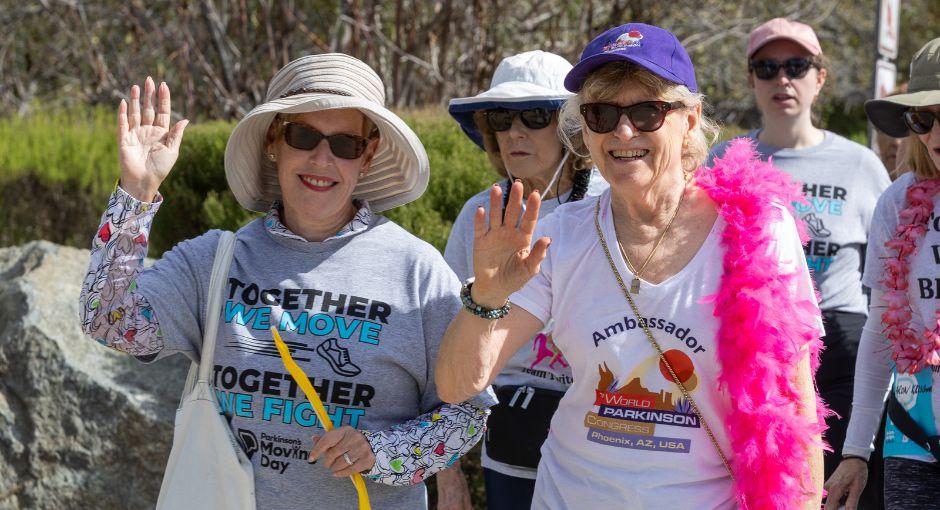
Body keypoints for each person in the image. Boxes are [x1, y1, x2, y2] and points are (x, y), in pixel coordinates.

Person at [436, 23, 826, 509]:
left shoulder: (757, 229)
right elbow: (456, 385)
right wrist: (486, 299)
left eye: (647, 111)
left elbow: (794, 406)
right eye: (601, 114)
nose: (623, 132)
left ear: (690, 119)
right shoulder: (561, 236)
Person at [78, 54, 494, 509]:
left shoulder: (416, 269)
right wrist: (136, 196)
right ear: (274, 141)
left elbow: (466, 412)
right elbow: (108, 321)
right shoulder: (216, 260)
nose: (322, 159)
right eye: (304, 136)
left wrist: (382, 452)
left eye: (345, 145)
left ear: (368, 156)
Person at [708, 20, 891, 502]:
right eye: (766, 68)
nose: (782, 79)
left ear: (820, 77)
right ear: (751, 80)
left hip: (842, 344)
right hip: (756, 347)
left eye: (797, 66)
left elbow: (888, 272)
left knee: (845, 489)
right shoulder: (726, 159)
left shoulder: (860, 164)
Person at [445, 50, 607, 509]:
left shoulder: (609, 203)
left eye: (535, 115)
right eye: (500, 117)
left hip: (602, 433)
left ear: (570, 127)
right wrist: (450, 477)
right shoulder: (480, 213)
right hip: (511, 437)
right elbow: (446, 337)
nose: (514, 131)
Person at [824, 37, 940, 510]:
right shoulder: (898, 200)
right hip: (913, 436)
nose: (936, 135)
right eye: (924, 119)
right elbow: (881, 328)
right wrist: (855, 450)